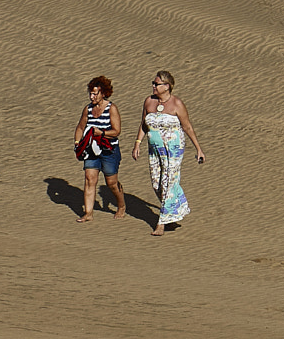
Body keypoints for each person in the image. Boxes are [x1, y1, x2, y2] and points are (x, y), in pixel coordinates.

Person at [137, 70, 205, 235]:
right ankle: (174, 213)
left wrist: (198, 149)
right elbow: (144, 124)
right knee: (157, 183)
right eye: (153, 83)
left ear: (167, 86)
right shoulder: (149, 101)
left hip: (173, 150)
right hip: (154, 150)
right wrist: (137, 143)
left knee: (169, 183)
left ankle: (161, 223)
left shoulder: (177, 104)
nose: (153, 86)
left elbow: (187, 126)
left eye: (156, 84)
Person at [72, 75, 125, 223]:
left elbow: (116, 131)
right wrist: (77, 143)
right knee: (90, 178)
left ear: (103, 93)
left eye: (95, 93)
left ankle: (121, 205)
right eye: (90, 93)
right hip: (91, 150)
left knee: (111, 183)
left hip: (109, 150)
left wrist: (101, 133)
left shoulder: (111, 108)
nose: (92, 96)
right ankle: (88, 213)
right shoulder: (88, 109)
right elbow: (80, 127)